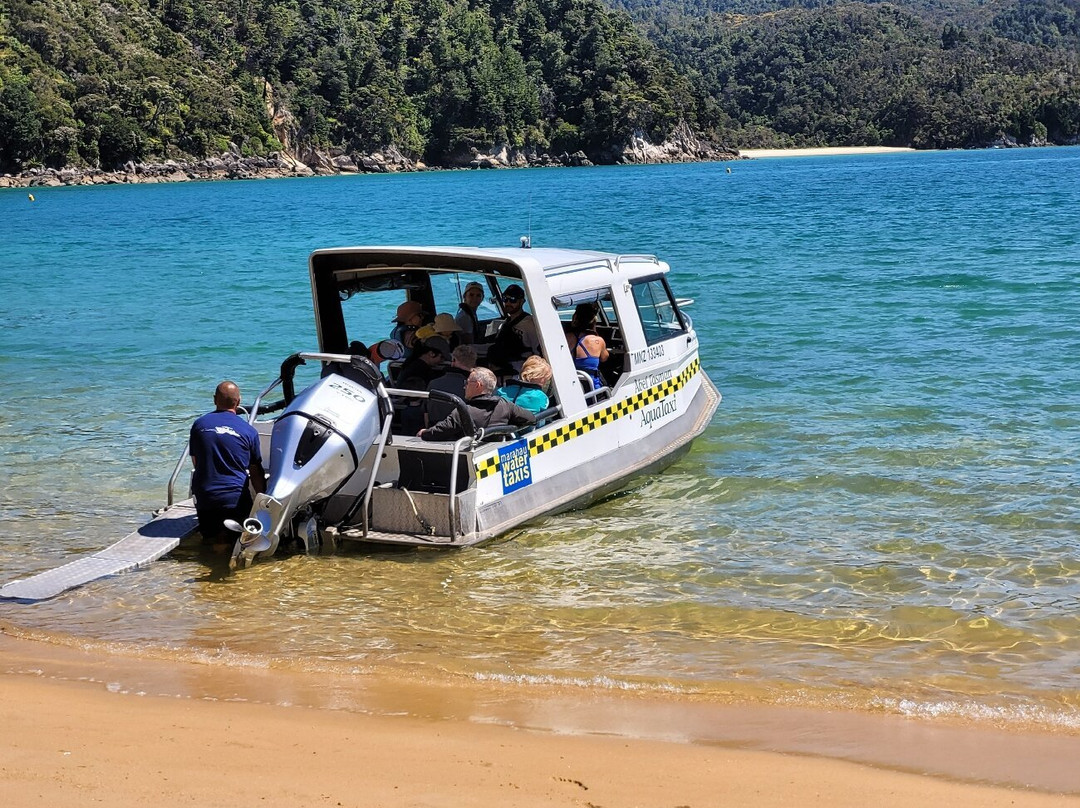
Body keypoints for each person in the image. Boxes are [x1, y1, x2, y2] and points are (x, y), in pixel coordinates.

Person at [189, 381, 266, 544]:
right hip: (234, 499)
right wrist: (263, 503)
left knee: (211, 541)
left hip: (206, 498)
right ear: (238, 402)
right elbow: (255, 472)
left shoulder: (199, 425)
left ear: (214, 399)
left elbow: (197, 462)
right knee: (237, 543)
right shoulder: (249, 431)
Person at [419, 367, 535, 441]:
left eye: (468, 382)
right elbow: (530, 418)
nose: (465, 386)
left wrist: (424, 433)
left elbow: (440, 432)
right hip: (497, 455)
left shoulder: (463, 411)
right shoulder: (505, 405)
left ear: (478, 385)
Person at [396, 337, 451, 432]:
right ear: (431, 354)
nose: (442, 361)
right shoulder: (423, 370)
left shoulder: (410, 364)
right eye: (441, 357)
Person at [487, 283, 540, 375]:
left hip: (519, 369)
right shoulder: (505, 323)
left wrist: (532, 372)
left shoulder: (529, 324)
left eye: (513, 300)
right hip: (501, 365)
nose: (508, 303)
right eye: (505, 299)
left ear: (522, 301)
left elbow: (537, 350)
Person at [426, 344, 477, 426]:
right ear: (473, 363)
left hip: (435, 431)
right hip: (463, 433)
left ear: (453, 360)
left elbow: (426, 413)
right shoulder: (477, 386)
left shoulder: (433, 384)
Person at [568, 303, 609, 390]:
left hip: (571, 385)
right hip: (591, 387)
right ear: (594, 320)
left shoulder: (567, 338)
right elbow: (604, 358)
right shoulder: (598, 341)